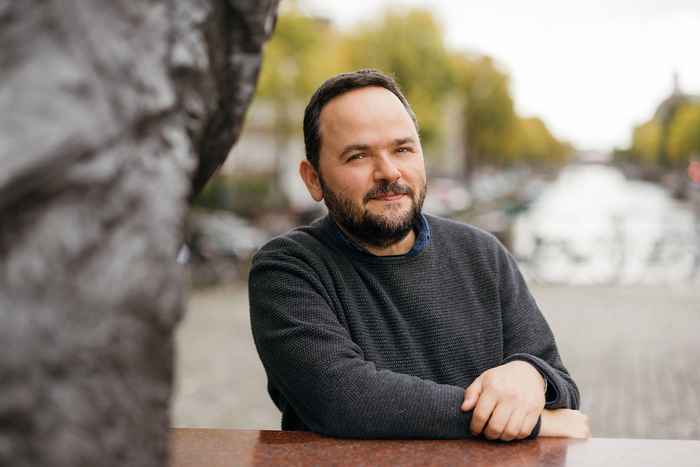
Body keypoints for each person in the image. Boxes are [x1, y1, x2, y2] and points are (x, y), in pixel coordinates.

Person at [249, 69, 590, 440]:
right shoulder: (286, 269)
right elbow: (344, 399)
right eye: (358, 156)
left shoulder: (483, 254)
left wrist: (531, 374)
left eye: (403, 149)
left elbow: (560, 386)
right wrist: (531, 423)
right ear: (313, 179)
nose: (388, 171)